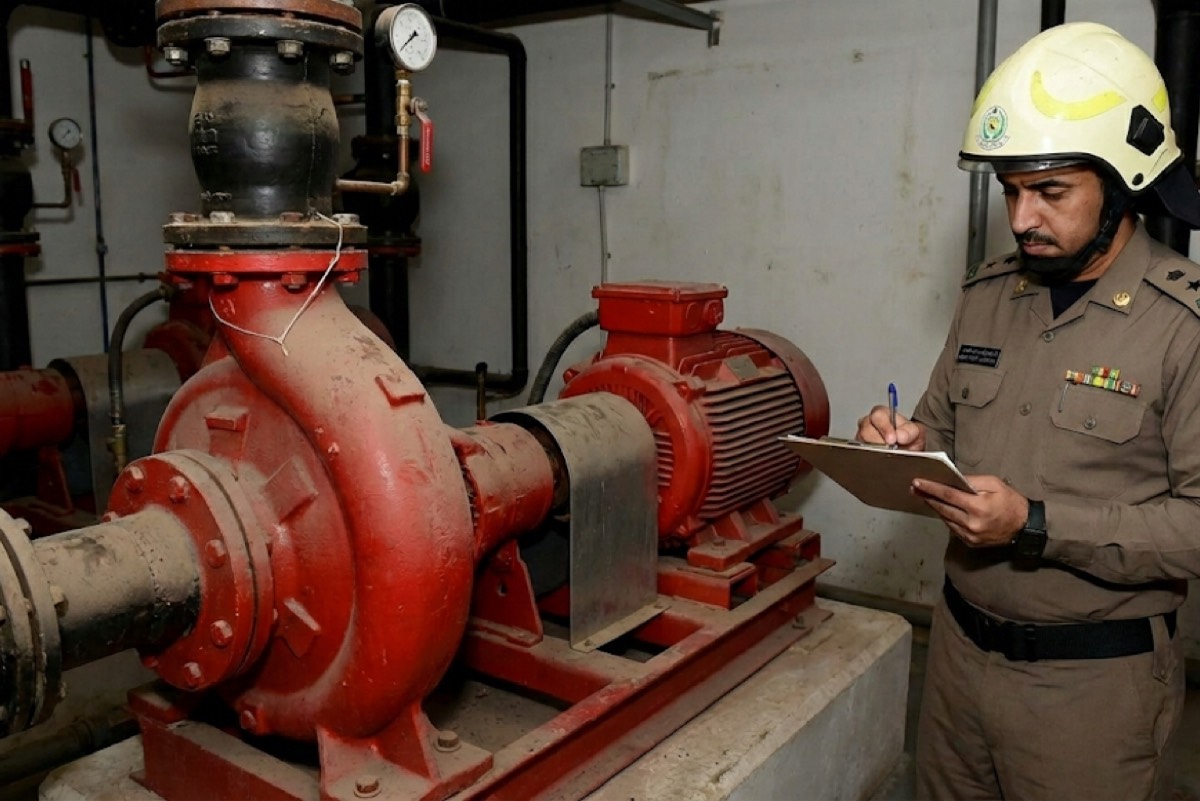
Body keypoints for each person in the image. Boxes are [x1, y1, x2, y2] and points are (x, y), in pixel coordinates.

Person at [855, 22, 1200, 800]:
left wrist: (1035, 524)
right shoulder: (988, 294)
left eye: (1050, 192)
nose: (1020, 219)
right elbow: (940, 430)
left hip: (1090, 694)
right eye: (1012, 190)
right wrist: (900, 441)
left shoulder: (1182, 325)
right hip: (954, 659)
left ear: (1120, 186)